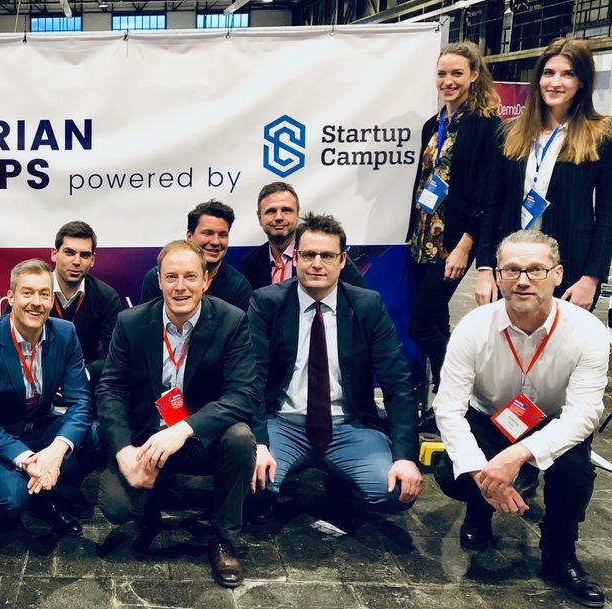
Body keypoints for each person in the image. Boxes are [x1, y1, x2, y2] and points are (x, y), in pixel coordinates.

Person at [434, 230, 608, 608]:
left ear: (558, 274)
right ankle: (479, 511)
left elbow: (584, 414)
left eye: (536, 269)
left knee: (575, 472)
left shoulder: (589, 331)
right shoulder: (474, 326)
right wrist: (482, 473)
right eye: (512, 269)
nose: (523, 280)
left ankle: (559, 555)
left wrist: (517, 455)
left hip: (554, 421)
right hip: (489, 417)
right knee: (452, 473)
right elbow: (448, 407)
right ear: (497, 276)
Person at [96, 241, 260, 588]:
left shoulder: (231, 321)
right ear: (159, 280)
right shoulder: (131, 322)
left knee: (240, 438)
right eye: (171, 277)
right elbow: (110, 390)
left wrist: (184, 427)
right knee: (117, 507)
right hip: (147, 438)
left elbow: (243, 394)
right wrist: (124, 452)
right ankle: (150, 508)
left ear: (205, 281)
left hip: (199, 438)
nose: (180, 286)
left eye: (190, 276)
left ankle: (222, 539)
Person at [248, 214, 422, 522]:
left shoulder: (368, 305)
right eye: (308, 255)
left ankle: (343, 483)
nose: (317, 264)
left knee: (396, 491)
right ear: (295, 259)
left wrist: (405, 457)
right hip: (282, 424)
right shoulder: (267, 302)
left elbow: (397, 383)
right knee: (253, 480)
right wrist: (259, 443)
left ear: (342, 261)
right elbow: (253, 380)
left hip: (348, 426)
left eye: (327, 255)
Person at [0, 259, 101, 535]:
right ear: (10, 297)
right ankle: (9, 488)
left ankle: (50, 492)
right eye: (27, 293)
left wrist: (56, 452)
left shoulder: (65, 333)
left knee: (96, 435)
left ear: (51, 300)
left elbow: (81, 401)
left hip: (41, 428)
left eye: (44, 294)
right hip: (0, 439)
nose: (36, 302)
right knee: (12, 502)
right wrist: (28, 459)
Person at [475, 37, 612, 311]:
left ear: (582, 82)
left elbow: (608, 214)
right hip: (512, 266)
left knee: (560, 337)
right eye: (549, 73)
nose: (555, 82)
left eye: (568, 74)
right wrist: (485, 268)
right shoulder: (510, 133)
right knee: (512, 336)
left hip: (571, 268)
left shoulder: (600, 135)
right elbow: (493, 205)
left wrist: (591, 278)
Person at [407, 42, 502, 390]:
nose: (448, 81)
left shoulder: (487, 127)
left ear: (474, 75)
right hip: (421, 238)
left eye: (457, 73)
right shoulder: (433, 125)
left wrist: (465, 246)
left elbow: (486, 192)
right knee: (435, 322)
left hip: (451, 243)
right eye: (442, 73)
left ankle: (461, 388)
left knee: (420, 326)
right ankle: (447, 400)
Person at [239, 182, 367, 290]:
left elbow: (360, 300)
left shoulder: (328, 256)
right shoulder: (250, 263)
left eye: (286, 210)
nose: (279, 217)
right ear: (260, 218)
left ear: (297, 215)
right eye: (271, 211)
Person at [138, 199, 251, 311]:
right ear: (189, 236)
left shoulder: (239, 287)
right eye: (208, 233)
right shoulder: (156, 278)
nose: (215, 241)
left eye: (222, 235)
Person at [49, 220, 122, 382]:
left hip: (87, 381)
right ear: (54, 254)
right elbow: (6, 341)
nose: (77, 261)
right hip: (36, 380)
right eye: (69, 252)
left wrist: (83, 375)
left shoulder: (106, 297)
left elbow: (115, 354)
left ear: (93, 259)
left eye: (84, 255)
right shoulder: (32, 290)